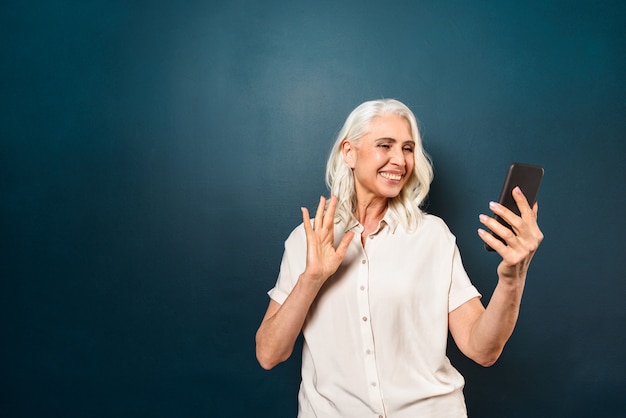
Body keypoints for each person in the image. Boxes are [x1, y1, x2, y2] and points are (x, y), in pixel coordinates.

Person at [255, 99, 543, 417]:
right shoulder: (306, 241)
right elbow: (269, 354)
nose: (400, 160)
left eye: (407, 148)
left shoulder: (432, 236)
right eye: (385, 145)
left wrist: (512, 277)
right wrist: (311, 278)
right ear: (348, 152)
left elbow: (482, 349)